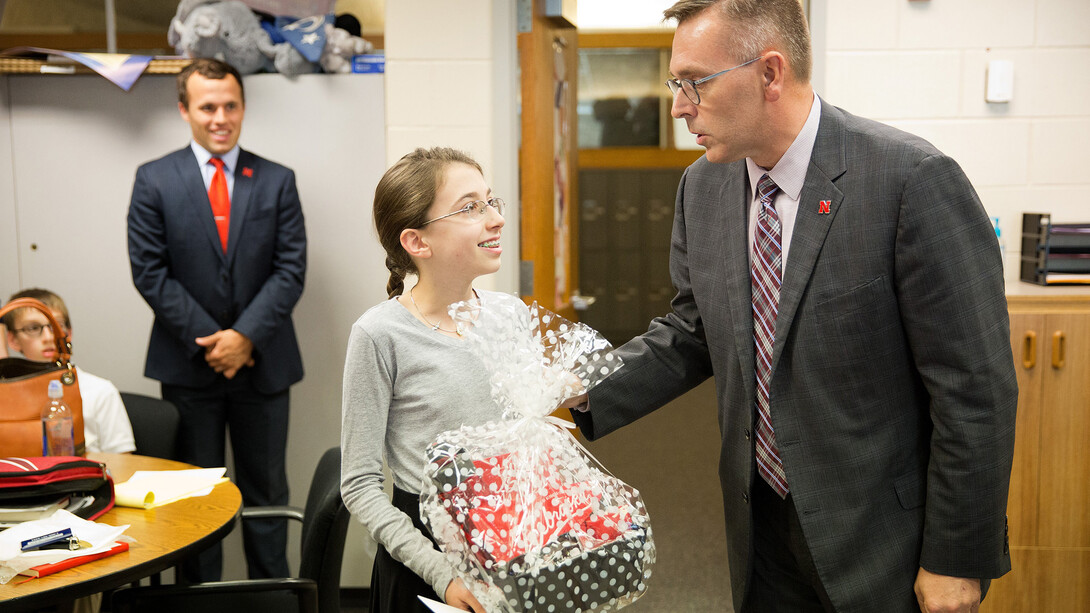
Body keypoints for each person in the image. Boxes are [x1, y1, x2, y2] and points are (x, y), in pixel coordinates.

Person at [564, 1, 1018, 612]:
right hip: (763, 527)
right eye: (676, 84)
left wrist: (956, 560)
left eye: (694, 83)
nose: (678, 106)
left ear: (770, 73)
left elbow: (975, 390)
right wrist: (577, 393)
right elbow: (694, 329)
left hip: (884, 541)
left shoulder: (910, 181)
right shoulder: (703, 187)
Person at [127, 58, 307, 582]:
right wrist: (215, 341)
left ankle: (274, 597)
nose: (220, 117)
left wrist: (246, 336)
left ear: (243, 107)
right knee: (194, 497)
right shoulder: (154, 180)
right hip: (188, 366)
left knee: (267, 493)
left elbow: (290, 269)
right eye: (208, 107)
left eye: (231, 105)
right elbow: (149, 271)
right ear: (185, 110)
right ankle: (198, 599)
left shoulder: (277, 181)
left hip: (264, 363)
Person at [341, 147, 519, 613]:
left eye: (491, 201)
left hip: (513, 542)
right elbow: (359, 484)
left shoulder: (512, 315)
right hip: (425, 563)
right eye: (470, 207)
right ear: (418, 242)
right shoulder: (380, 335)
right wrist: (443, 576)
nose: (495, 219)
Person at [3, 288, 136, 454]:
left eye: (56, 326)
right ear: (13, 339)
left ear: (68, 333)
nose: (48, 337)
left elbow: (123, 460)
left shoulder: (100, 391)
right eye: (33, 328)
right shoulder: (6, 395)